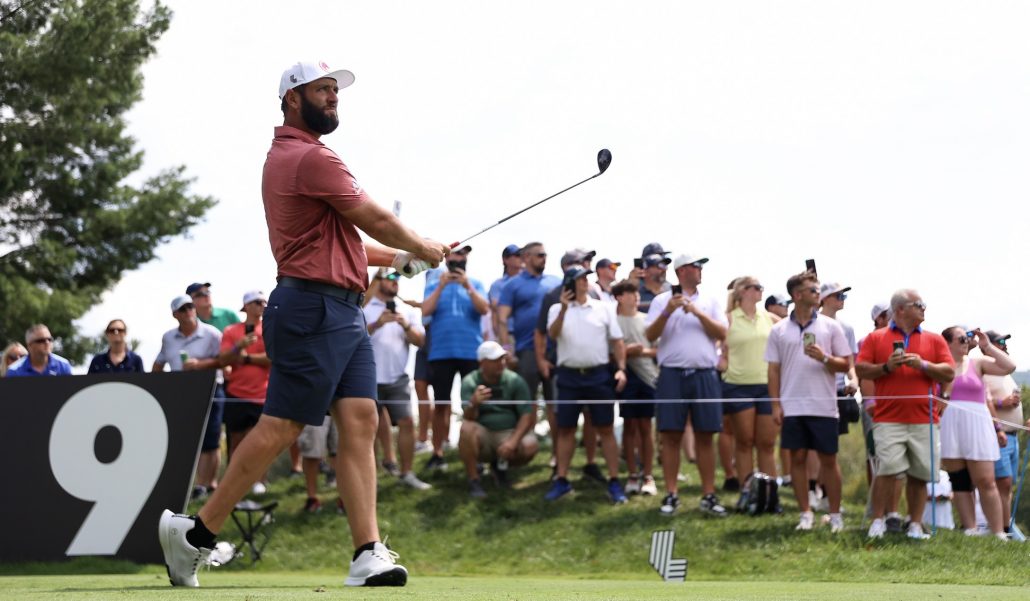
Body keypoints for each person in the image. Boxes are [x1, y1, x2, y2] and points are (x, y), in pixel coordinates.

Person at [158, 60, 450, 589]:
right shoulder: (307, 157)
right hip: (311, 308)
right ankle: (195, 534)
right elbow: (374, 218)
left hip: (340, 309)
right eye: (323, 89)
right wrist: (421, 245)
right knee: (283, 427)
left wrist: (400, 260)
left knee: (360, 419)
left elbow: (348, 241)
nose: (334, 97)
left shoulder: (306, 159)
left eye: (336, 90)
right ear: (293, 98)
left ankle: (367, 551)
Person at [855, 289, 955, 540]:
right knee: (887, 470)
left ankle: (914, 525)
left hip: (925, 418)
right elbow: (861, 368)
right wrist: (887, 367)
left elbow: (949, 372)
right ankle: (877, 521)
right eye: (918, 304)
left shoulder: (934, 340)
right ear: (900, 309)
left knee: (920, 474)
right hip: (888, 418)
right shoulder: (876, 338)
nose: (923, 308)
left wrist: (921, 364)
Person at [765, 271, 851, 532]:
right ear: (797, 295)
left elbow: (845, 364)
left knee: (829, 460)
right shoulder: (778, 330)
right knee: (797, 459)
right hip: (792, 405)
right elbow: (773, 371)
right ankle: (805, 513)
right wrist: (776, 405)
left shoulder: (830, 326)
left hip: (824, 405)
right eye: (813, 290)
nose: (818, 294)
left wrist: (824, 358)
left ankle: (835, 515)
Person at [645, 253, 728, 516]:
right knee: (670, 435)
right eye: (696, 266)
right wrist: (669, 311)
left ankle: (708, 494)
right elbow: (650, 335)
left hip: (705, 374)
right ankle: (671, 493)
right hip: (671, 374)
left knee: (706, 435)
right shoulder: (660, 301)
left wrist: (697, 312)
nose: (701, 270)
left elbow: (722, 333)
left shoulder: (711, 300)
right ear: (682, 271)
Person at [544, 266, 628, 503]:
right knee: (566, 429)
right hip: (568, 376)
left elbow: (618, 341)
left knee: (605, 428)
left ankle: (613, 481)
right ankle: (561, 480)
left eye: (586, 279)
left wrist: (621, 369)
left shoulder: (603, 307)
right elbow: (553, 335)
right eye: (580, 279)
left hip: (598, 375)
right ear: (569, 283)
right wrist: (562, 309)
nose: (585, 282)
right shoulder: (555, 309)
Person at [939, 327, 1015, 539]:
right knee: (960, 480)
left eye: (968, 338)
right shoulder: (941, 367)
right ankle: (970, 530)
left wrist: (987, 346)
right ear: (948, 343)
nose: (966, 341)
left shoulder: (977, 364)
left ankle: (999, 532)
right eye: (962, 338)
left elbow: (1009, 366)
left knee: (986, 480)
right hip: (951, 423)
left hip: (977, 422)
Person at [421, 245, 489, 472]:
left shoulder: (476, 284)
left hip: (470, 352)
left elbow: (484, 309)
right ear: (447, 257)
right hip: (441, 353)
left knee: (473, 402)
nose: (458, 258)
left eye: (463, 255)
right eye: (455, 254)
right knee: (441, 405)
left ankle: (476, 452)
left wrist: (467, 285)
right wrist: (441, 286)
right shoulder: (434, 283)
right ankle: (437, 452)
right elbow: (425, 311)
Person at [363, 269, 431, 490]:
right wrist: (377, 324)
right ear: (379, 281)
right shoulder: (365, 308)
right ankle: (368, 479)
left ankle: (407, 473)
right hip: (367, 377)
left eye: (398, 279)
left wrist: (406, 325)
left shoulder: (406, 311)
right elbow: (353, 337)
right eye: (391, 278)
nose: (395, 282)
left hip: (398, 378)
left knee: (407, 423)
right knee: (368, 430)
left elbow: (420, 341)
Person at [153, 294, 223, 498]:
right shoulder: (168, 337)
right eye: (183, 309)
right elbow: (159, 363)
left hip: (210, 389)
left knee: (211, 439)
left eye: (191, 307)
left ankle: (205, 484)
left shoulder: (212, 333)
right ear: (175, 314)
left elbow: (224, 361)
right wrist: (160, 387)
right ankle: (194, 484)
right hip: (181, 392)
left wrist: (200, 365)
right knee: (186, 439)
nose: (189, 311)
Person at [720, 276, 780, 510]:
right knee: (744, 442)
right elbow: (720, 350)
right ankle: (747, 493)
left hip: (767, 387)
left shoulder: (771, 319)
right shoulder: (728, 320)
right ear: (743, 291)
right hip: (737, 386)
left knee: (766, 443)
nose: (760, 290)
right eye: (756, 287)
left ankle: (770, 495)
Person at [458, 341, 538, 498]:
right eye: (495, 360)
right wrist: (473, 404)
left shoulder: (515, 380)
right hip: (483, 433)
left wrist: (513, 441)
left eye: (502, 358)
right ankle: (474, 480)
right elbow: (468, 418)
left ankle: (500, 468)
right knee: (466, 428)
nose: (501, 363)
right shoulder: (470, 382)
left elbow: (526, 416)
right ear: (482, 362)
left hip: (509, 432)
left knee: (531, 446)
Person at [185, 281, 239, 496]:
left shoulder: (228, 315)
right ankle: (203, 483)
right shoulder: (191, 324)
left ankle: (225, 481)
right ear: (191, 301)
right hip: (206, 384)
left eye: (207, 292)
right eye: (200, 294)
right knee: (206, 436)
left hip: (235, 381)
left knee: (229, 432)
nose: (206, 295)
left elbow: (243, 340)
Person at [218, 291, 271, 494]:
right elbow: (223, 360)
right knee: (236, 441)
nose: (262, 306)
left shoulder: (268, 328)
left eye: (264, 302)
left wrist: (245, 358)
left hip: (262, 394)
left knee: (260, 443)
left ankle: (260, 482)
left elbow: (272, 358)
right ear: (246, 306)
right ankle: (232, 484)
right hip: (236, 394)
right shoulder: (232, 331)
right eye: (258, 302)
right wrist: (238, 347)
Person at [612, 279, 659, 496]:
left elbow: (657, 350)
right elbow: (610, 352)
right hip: (627, 377)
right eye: (629, 293)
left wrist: (640, 352)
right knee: (629, 426)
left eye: (636, 292)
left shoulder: (647, 320)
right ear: (619, 297)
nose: (635, 296)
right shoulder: (613, 321)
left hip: (649, 378)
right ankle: (632, 474)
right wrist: (626, 352)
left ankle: (648, 475)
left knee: (646, 427)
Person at [982, 330, 1022, 535]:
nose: (1004, 345)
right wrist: (1001, 403)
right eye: (1000, 342)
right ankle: (1002, 529)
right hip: (999, 435)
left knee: (1008, 486)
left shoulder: (1005, 373)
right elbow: (981, 400)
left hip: (1013, 435)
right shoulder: (983, 369)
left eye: (1005, 342)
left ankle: (1004, 527)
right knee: (1002, 482)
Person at [5, 324, 71, 377]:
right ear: (29, 345)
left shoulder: (63, 366)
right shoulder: (15, 371)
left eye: (49, 339)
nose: (47, 343)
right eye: (41, 340)